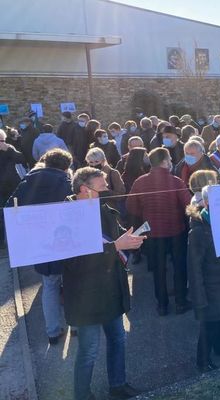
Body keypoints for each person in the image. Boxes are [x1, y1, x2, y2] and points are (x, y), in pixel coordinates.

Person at [63, 167, 144, 400]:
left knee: (118, 339)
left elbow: (117, 237)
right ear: (83, 190)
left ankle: (118, 386)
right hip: (85, 296)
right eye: (101, 188)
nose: (106, 192)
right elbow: (75, 261)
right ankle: (82, 395)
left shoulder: (104, 210)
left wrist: (131, 239)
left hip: (111, 289)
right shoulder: (66, 217)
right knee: (89, 350)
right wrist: (117, 246)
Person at [7, 149, 73, 344]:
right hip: (67, 241)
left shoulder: (27, 182)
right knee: (71, 283)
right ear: (66, 167)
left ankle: (52, 332)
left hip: (41, 243)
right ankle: (76, 326)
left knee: (49, 285)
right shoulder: (67, 183)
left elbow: (10, 208)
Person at [126, 148, 192, 316]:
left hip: (152, 232)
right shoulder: (175, 181)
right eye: (169, 159)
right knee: (179, 266)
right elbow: (188, 205)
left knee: (158, 269)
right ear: (163, 162)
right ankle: (181, 302)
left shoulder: (140, 182)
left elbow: (131, 206)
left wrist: (146, 213)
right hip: (175, 230)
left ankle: (162, 305)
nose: (171, 162)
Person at [187, 185, 220, 372]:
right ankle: (202, 360)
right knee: (209, 325)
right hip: (210, 286)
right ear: (206, 203)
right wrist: (198, 298)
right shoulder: (199, 231)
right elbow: (194, 267)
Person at [0, 129, 25, 249]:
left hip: (12, 185)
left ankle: (18, 238)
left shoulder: (8, 148)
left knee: (15, 211)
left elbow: (21, 159)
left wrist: (8, 149)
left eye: (2, 140)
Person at [85, 147, 126, 212]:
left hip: (110, 211)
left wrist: (106, 192)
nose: (94, 164)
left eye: (96, 161)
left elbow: (121, 195)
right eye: (91, 162)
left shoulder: (113, 173)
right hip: (93, 210)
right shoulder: (86, 175)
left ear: (103, 160)